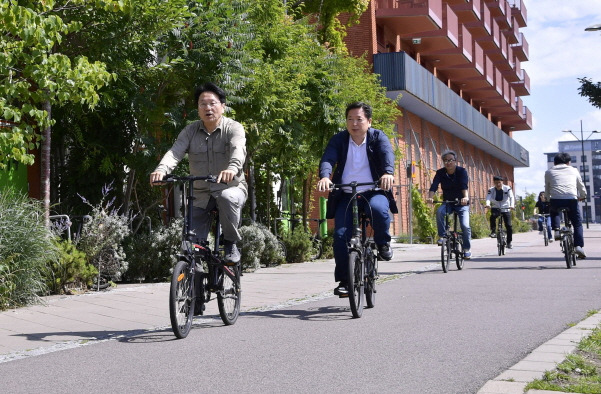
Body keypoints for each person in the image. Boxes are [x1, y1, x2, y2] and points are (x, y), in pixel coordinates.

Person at [150, 83, 247, 263]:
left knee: (227, 197)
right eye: (203, 104)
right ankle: (193, 279)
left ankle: (230, 242)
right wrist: (161, 170)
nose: (208, 108)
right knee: (190, 247)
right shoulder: (190, 131)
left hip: (231, 188)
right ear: (198, 108)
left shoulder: (234, 128)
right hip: (201, 193)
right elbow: (175, 152)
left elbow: (238, 150)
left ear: (223, 106)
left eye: (212, 103)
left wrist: (232, 169)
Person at [317, 102, 397, 297]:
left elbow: (387, 153)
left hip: (374, 190)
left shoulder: (378, 137)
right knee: (340, 236)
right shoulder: (339, 139)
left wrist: (388, 173)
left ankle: (383, 242)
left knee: (379, 210)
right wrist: (325, 176)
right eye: (350, 119)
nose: (354, 123)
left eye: (359, 119)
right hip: (346, 194)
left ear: (369, 122)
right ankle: (345, 281)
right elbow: (328, 158)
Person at [426, 150, 472, 259]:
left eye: (450, 160)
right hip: (448, 202)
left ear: (455, 161)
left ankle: (466, 249)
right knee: (439, 212)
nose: (448, 162)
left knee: (465, 226)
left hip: (461, 203)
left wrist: (465, 197)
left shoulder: (461, 171)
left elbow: (463, 185)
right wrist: (430, 198)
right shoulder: (440, 172)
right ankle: (442, 236)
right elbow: (434, 186)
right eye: (445, 160)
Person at [544, 152, 587, 258]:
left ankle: (557, 230)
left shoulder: (549, 172)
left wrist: (548, 199)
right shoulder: (574, 170)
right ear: (568, 163)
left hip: (556, 199)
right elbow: (580, 185)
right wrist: (583, 196)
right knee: (577, 224)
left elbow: (547, 188)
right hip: (571, 199)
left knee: (554, 211)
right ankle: (578, 246)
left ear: (554, 163)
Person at [484, 175, 515, 248]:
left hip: (506, 207)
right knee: (493, 217)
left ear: (502, 182)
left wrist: (512, 205)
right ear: (494, 183)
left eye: (499, 183)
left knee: (509, 226)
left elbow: (511, 197)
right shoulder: (491, 190)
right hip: (496, 207)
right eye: (496, 183)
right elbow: (488, 198)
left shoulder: (507, 188)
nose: (498, 184)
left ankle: (509, 242)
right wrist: (488, 204)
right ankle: (493, 232)